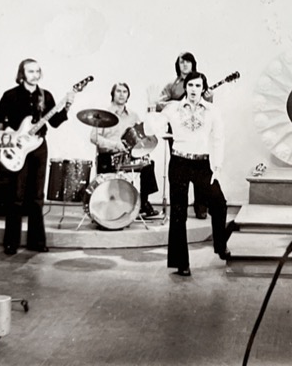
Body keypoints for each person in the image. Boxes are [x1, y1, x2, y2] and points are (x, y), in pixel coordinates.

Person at [0, 58, 74, 255]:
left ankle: (36, 241)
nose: (35, 75)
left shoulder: (46, 96)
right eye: (30, 71)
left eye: (37, 71)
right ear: (22, 74)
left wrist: (67, 107)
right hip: (18, 147)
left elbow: (54, 122)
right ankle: (11, 242)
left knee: (37, 196)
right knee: (16, 195)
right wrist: (10, 133)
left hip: (38, 147)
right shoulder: (10, 95)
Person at [159, 71, 229, 276]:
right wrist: (153, 109)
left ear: (203, 89)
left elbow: (219, 138)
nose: (193, 89)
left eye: (198, 86)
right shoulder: (172, 108)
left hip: (202, 164)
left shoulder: (212, 110)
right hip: (179, 162)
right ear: (185, 87)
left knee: (219, 203)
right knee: (178, 213)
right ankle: (181, 263)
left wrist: (217, 166)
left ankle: (220, 245)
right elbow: (154, 126)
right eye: (190, 85)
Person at [89, 82, 159, 218]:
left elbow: (142, 134)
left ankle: (143, 202)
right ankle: (107, 206)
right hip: (108, 156)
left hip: (127, 156)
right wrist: (114, 144)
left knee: (148, 164)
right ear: (113, 94)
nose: (122, 94)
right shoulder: (103, 115)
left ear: (128, 96)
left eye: (124, 92)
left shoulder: (133, 116)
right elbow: (93, 137)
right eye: (118, 91)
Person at [156, 52, 212, 219]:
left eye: (188, 62)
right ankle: (180, 208)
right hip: (177, 132)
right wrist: (175, 104)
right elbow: (159, 104)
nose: (185, 65)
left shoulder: (201, 82)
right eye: (182, 62)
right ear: (178, 65)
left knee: (201, 168)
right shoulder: (171, 85)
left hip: (197, 131)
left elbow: (208, 110)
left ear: (193, 64)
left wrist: (210, 99)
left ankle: (201, 206)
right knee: (179, 170)